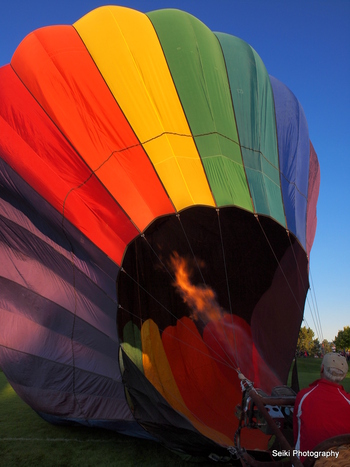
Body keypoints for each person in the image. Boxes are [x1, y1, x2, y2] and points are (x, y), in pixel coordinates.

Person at [293, 352, 350, 462]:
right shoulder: (347, 401)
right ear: (343, 376)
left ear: (322, 369)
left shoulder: (304, 396)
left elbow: (296, 433)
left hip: (306, 463)